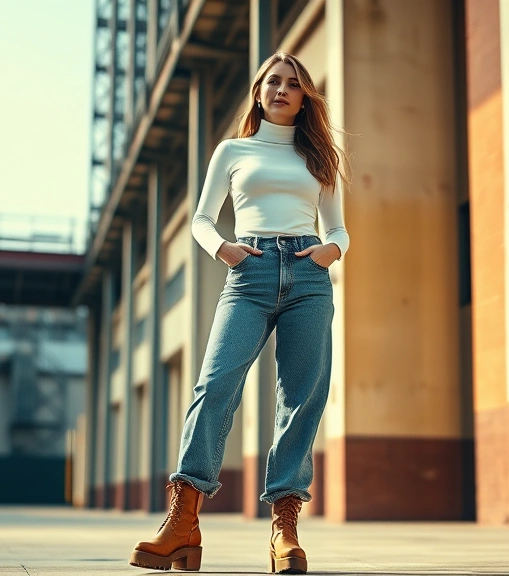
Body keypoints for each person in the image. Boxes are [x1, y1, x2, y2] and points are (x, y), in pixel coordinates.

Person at [129, 52, 350, 575]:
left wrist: (330, 251)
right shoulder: (232, 150)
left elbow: (338, 228)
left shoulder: (320, 157)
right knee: (215, 384)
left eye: (293, 84)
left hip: (308, 277)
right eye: (273, 81)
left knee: (301, 398)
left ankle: (285, 529)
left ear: (304, 96)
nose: (281, 89)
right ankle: (182, 520)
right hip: (247, 274)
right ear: (257, 91)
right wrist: (222, 248)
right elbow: (202, 218)